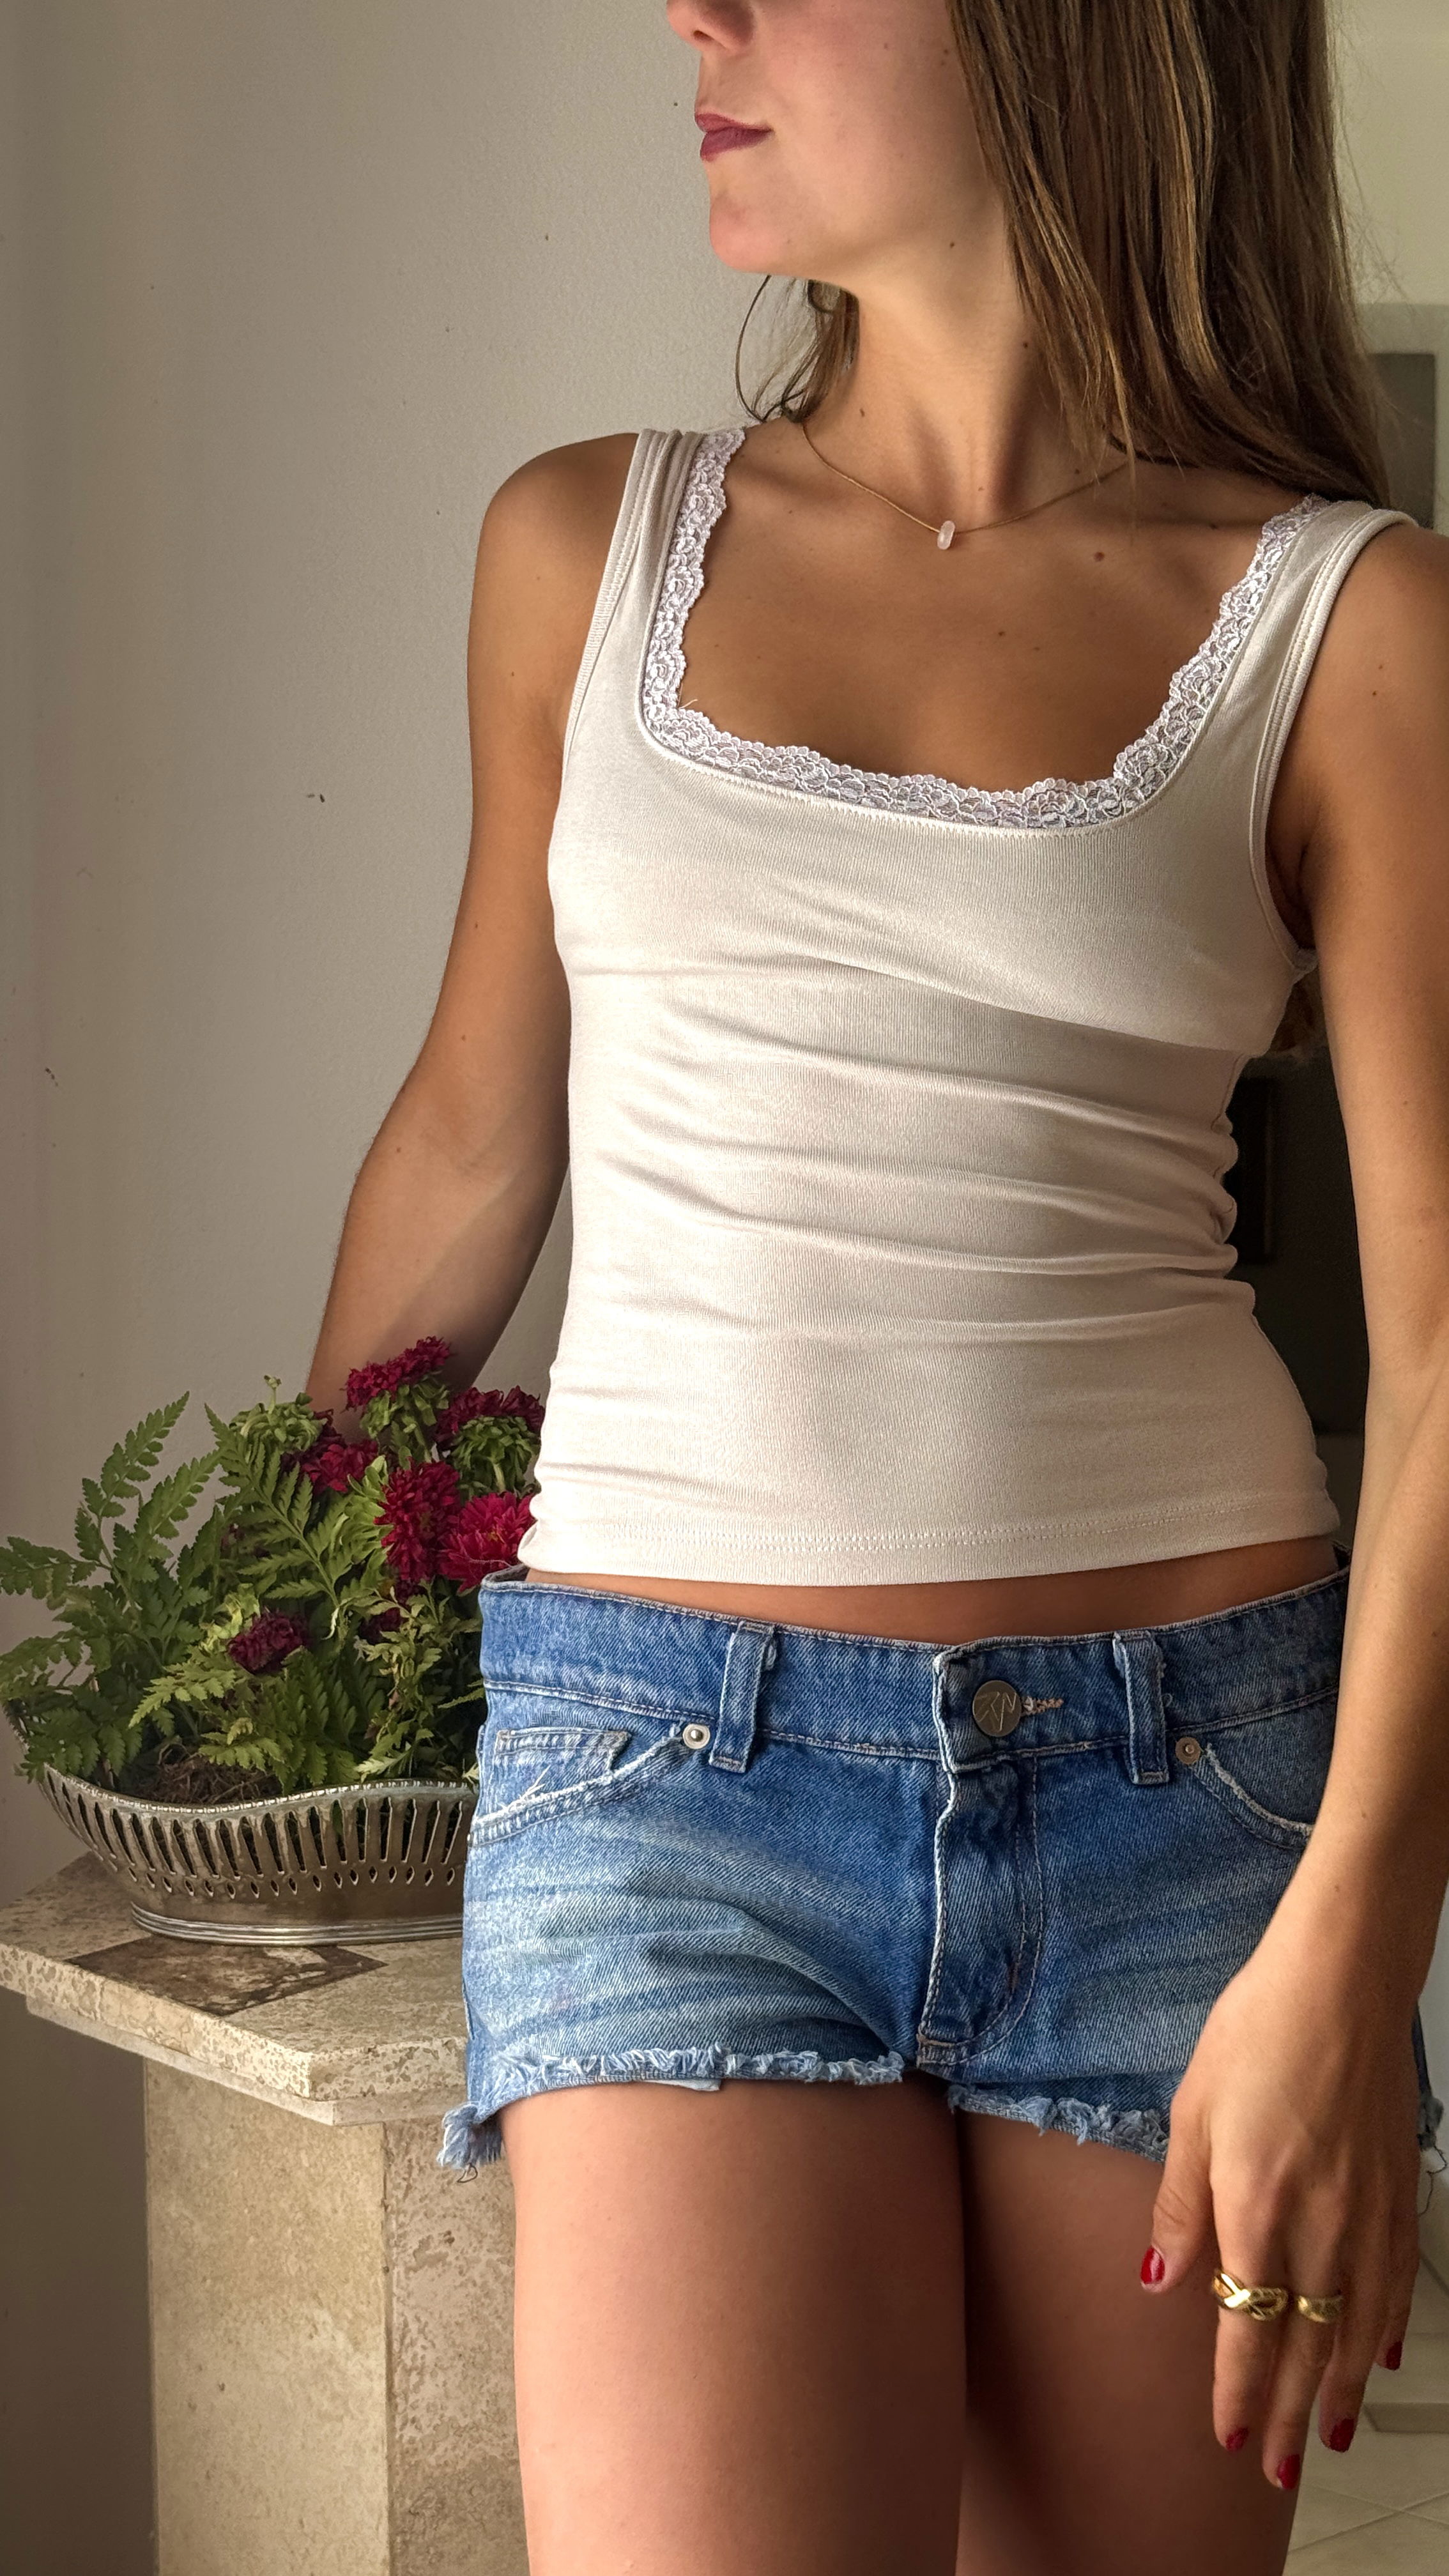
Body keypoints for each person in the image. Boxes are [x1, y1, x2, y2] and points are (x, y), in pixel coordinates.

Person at [305, 4, 1449, 2568]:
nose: (695, 17)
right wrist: (276, 1600)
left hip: (1186, 1797)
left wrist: (1361, 1955)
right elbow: (477, 1135)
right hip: (662, 1778)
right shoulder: (580, 548)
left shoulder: (1350, 624)